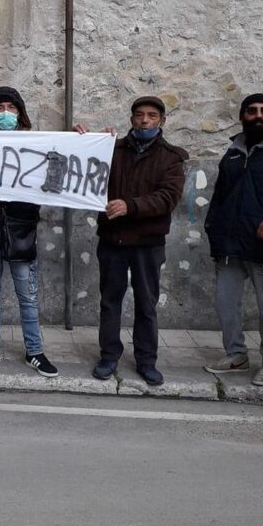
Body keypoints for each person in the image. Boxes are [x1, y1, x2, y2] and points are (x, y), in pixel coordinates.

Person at [76, 96, 188, 386]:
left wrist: (130, 205)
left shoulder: (172, 157)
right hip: (113, 239)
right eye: (139, 115)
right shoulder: (114, 149)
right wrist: (83, 140)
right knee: (110, 301)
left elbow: (168, 197)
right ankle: (109, 356)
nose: (145, 121)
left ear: (162, 121)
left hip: (148, 243)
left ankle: (146, 360)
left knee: (147, 303)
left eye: (152, 115)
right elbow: (85, 166)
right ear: (131, 119)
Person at [0, 87, 58, 376]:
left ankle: (35, 351)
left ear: (20, 112)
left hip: (20, 228)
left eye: (11, 107)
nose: (5, 113)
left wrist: (84, 140)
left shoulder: (36, 144)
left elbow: (55, 174)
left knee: (27, 294)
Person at [204, 93, 263, 387]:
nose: (259, 116)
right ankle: (236, 355)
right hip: (229, 243)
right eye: (252, 110)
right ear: (242, 115)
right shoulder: (233, 151)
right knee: (225, 303)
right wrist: (213, 228)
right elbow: (220, 194)